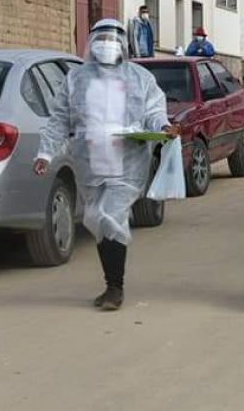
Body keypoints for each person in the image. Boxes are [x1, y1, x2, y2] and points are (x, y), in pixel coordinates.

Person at [34, 19, 179, 310]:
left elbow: (153, 110)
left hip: (127, 163)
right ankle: (110, 284)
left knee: (111, 215)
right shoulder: (76, 79)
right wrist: (45, 154)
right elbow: (60, 118)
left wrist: (163, 126)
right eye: (101, 39)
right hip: (89, 163)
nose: (106, 45)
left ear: (123, 45)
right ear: (91, 43)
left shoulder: (139, 78)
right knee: (98, 221)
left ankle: (115, 289)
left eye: (112, 40)